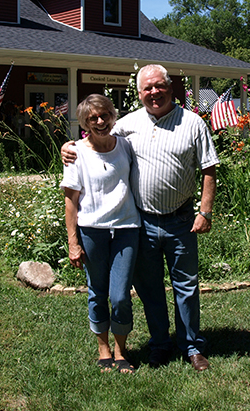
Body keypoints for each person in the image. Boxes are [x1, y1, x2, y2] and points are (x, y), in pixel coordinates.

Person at [63, 64, 218, 372]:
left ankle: (191, 347)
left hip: (181, 219)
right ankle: (160, 344)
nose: (154, 92)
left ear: (171, 87)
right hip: (141, 223)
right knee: (149, 289)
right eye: (147, 88)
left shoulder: (193, 123)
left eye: (159, 86)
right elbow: (96, 140)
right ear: (139, 93)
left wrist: (205, 211)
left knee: (186, 286)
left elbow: (209, 168)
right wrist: (69, 147)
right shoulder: (128, 124)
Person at [60, 94, 141, 373]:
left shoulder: (126, 147)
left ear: (112, 116)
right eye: (92, 118)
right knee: (97, 291)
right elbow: (71, 200)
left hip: (126, 228)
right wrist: (73, 243)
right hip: (92, 230)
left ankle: (121, 351)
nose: (100, 121)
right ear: (84, 122)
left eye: (105, 115)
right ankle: (103, 349)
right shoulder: (75, 153)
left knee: (119, 295)